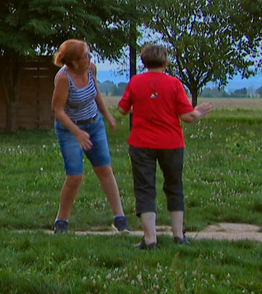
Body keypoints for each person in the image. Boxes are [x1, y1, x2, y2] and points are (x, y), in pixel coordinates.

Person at [117, 44, 214, 249]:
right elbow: (187, 117)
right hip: (171, 143)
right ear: (165, 61)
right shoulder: (174, 83)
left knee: (144, 188)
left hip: (141, 142)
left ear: (143, 61)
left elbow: (122, 109)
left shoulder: (135, 82)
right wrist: (198, 112)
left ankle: (150, 239)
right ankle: (178, 235)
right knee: (174, 186)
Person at [51, 39, 130, 234]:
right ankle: (61, 221)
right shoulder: (63, 78)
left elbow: (96, 95)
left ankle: (119, 219)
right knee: (75, 177)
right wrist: (77, 133)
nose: (90, 58)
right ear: (75, 62)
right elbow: (58, 111)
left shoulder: (90, 69)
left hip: (94, 124)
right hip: (70, 130)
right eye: (86, 55)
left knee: (104, 169)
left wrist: (107, 116)